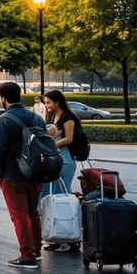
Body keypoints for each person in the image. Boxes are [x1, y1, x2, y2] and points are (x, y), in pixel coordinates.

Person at [0, 82, 47, 268]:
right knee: (32, 211)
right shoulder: (36, 118)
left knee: (19, 215)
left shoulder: (3, 120)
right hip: (36, 173)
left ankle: (27, 256)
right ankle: (37, 250)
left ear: (3, 98)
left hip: (12, 174)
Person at [40, 90, 89, 247]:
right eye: (45, 103)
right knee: (52, 197)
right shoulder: (53, 117)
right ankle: (57, 235)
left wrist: (51, 144)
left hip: (65, 160)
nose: (46, 106)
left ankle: (67, 237)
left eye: (48, 102)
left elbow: (69, 138)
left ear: (57, 102)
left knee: (62, 198)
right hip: (55, 160)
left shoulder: (68, 117)